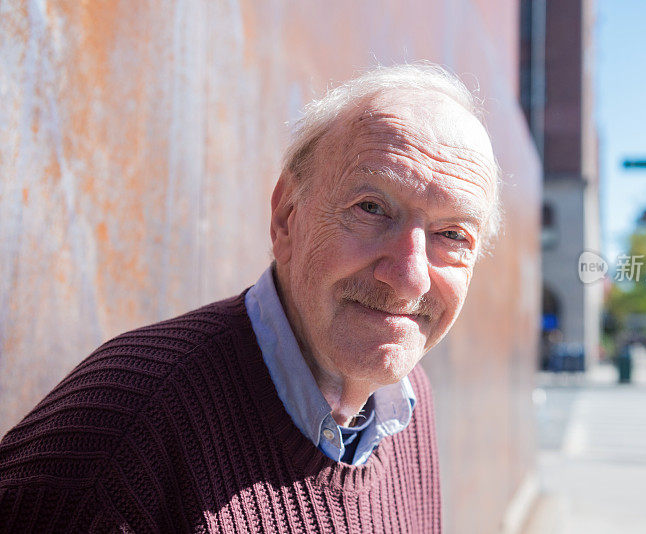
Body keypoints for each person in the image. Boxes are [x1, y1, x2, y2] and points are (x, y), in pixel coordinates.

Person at [0, 63, 500, 533]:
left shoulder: (409, 408)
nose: (409, 277)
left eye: (453, 235)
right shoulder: (123, 430)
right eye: (371, 208)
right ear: (286, 218)